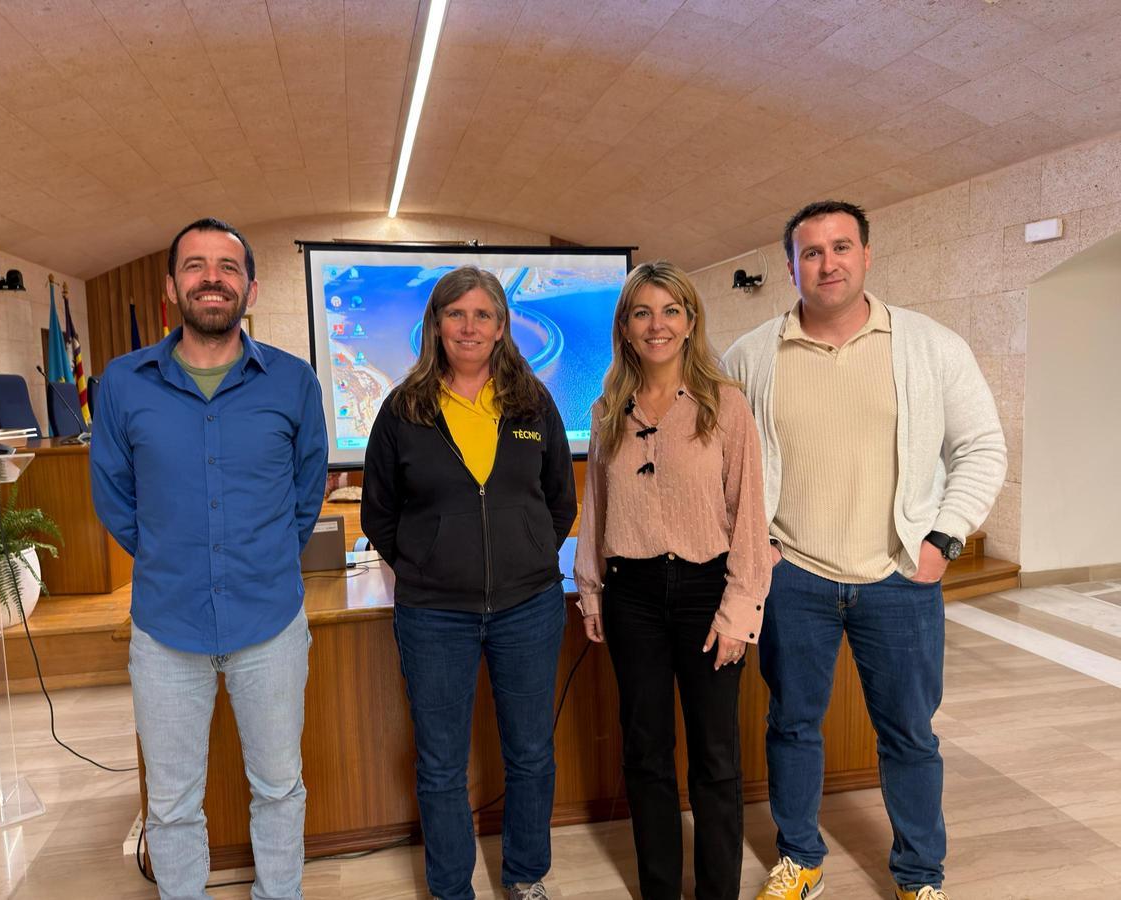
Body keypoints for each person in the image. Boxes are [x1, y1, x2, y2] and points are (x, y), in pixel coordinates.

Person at [723, 201, 1007, 900]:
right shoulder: (751, 355)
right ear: (790, 266)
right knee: (791, 725)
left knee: (909, 733)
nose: (828, 263)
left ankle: (919, 874)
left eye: (840, 247)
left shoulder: (929, 345)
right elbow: (723, 462)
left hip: (900, 577)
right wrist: (758, 543)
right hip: (795, 576)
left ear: (867, 256)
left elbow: (980, 447)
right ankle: (801, 858)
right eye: (811, 252)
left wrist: (942, 539)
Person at [91, 217, 328, 900]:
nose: (212, 278)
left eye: (227, 266)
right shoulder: (122, 383)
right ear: (172, 287)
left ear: (249, 287)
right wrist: (174, 555)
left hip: (270, 621)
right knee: (169, 803)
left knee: (279, 787)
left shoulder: (293, 382)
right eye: (195, 265)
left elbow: (305, 491)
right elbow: (114, 497)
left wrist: (262, 556)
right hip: (167, 627)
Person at [361, 265, 577, 900]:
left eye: (483, 314)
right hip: (433, 615)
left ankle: (526, 875)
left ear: (503, 327)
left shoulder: (534, 403)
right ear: (435, 324)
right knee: (439, 765)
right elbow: (379, 511)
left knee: (532, 755)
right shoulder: (403, 410)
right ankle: (451, 888)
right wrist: (427, 563)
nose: (469, 326)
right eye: (456, 314)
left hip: (529, 607)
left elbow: (559, 500)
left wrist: (532, 550)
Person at [573, 261, 773, 900]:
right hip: (630, 595)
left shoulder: (726, 404)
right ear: (625, 328)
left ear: (690, 323)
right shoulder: (609, 409)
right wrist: (592, 588)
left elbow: (749, 512)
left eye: (670, 311)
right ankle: (659, 888)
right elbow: (596, 506)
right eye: (641, 313)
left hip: (707, 593)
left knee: (716, 758)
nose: (656, 325)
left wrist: (740, 608)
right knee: (646, 753)